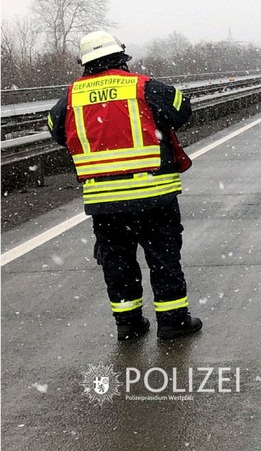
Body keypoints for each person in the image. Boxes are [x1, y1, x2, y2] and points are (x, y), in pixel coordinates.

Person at [46, 31, 203, 341]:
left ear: (85, 63)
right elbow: (182, 109)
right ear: (121, 57)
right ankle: (172, 321)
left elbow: (55, 129)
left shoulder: (72, 97)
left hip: (104, 200)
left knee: (117, 262)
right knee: (163, 258)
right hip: (153, 194)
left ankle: (128, 325)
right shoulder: (141, 87)